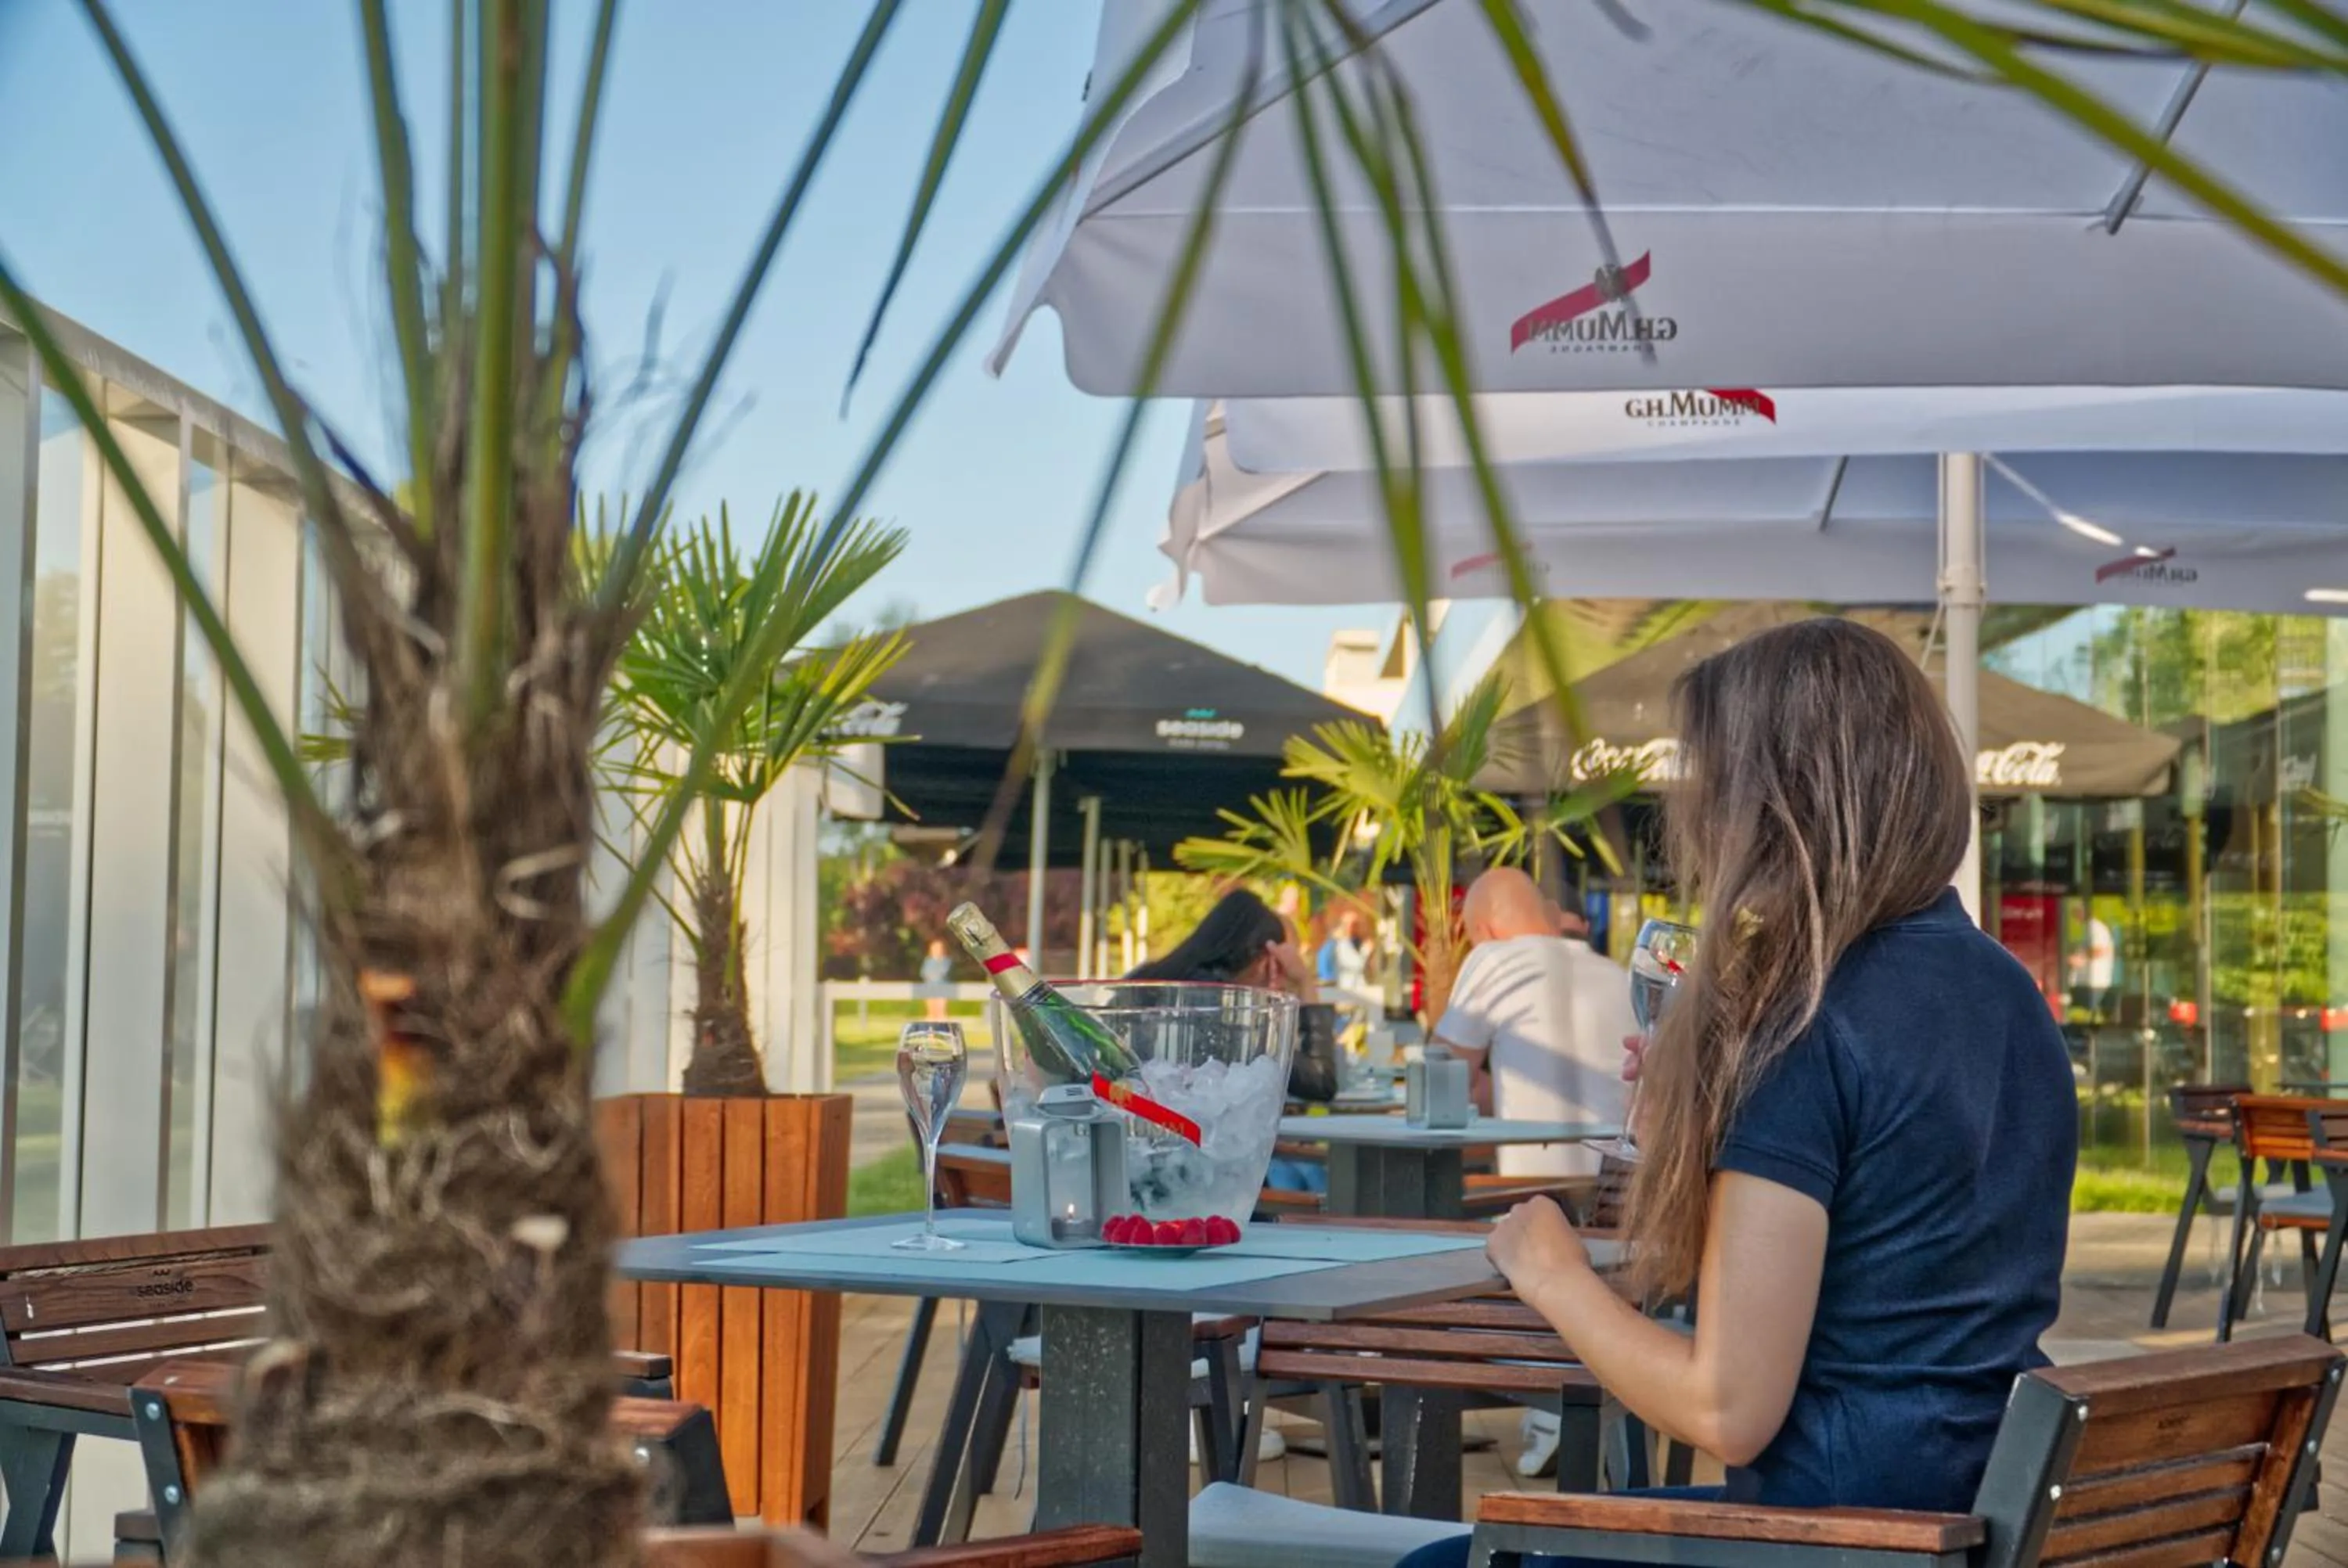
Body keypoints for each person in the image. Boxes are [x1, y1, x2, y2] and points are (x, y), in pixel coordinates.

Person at [1398, 618, 2077, 1568]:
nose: (1698, 819)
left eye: (1709, 788)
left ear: (1771, 803)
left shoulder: (1805, 1024)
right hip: (1971, 1512)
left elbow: (1727, 1407)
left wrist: (1552, 1272)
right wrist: (1704, 1118)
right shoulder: (2008, 993)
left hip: (1832, 1536)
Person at [1431, 865, 1637, 1478]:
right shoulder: (1613, 972)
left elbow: (1442, 1078)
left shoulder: (1496, 961)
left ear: (1485, 928)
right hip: (1620, 1201)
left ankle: (1530, 1394)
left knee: (1416, 1223)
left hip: (1533, 1203)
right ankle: (1560, 1396)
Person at [919, 937, 953, 1022]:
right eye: (935, 948)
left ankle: (942, 1023)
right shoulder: (928, 961)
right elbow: (924, 972)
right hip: (930, 986)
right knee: (931, 1008)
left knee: (941, 1009)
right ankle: (930, 1023)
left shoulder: (946, 961)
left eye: (939, 948)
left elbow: (944, 972)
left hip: (942, 986)